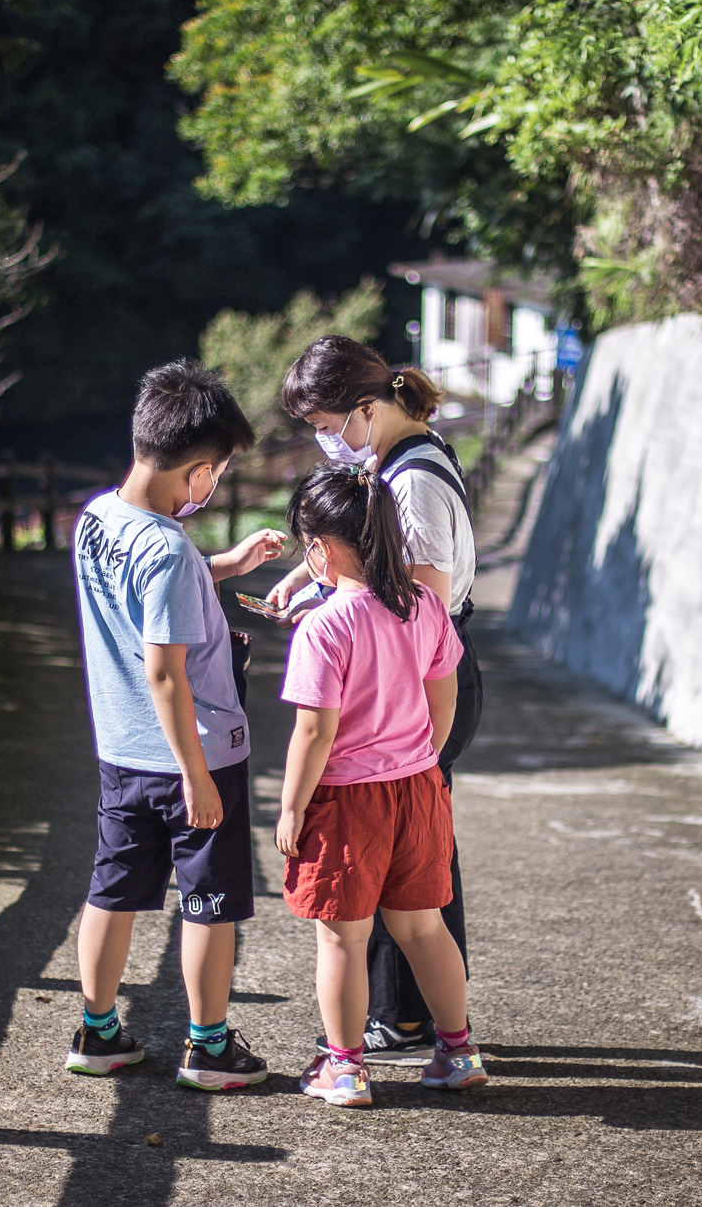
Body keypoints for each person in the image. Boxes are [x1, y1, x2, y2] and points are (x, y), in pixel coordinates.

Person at [66, 359, 287, 1091]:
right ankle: (209, 1045)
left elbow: (151, 589)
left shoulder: (100, 517)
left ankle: (97, 1033)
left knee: (113, 892)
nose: (213, 485)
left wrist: (225, 563)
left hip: (121, 754)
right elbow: (165, 671)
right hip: (193, 756)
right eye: (216, 472)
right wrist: (197, 774)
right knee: (209, 903)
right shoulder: (165, 549)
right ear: (195, 469)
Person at [266, 336, 483, 1065]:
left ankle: (356, 1053)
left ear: (365, 407)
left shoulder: (409, 481)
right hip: (419, 716)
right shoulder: (388, 464)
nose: (324, 438)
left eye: (326, 422)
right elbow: (407, 599)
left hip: (396, 717)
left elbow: (313, 731)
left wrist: (292, 805)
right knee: (420, 901)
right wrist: (314, 577)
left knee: (348, 927)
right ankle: (453, 1044)